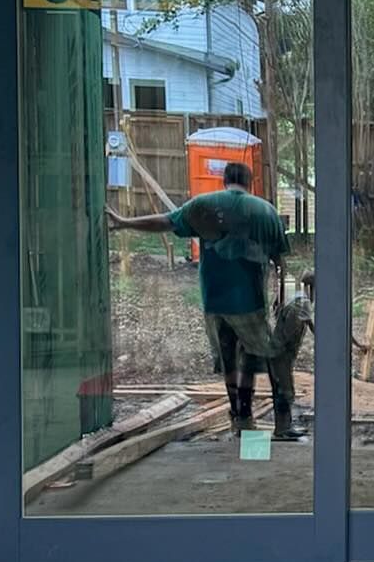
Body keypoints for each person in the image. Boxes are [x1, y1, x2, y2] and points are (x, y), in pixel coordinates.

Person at [107, 161, 310, 441]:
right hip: (249, 303)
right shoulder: (266, 211)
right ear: (249, 182)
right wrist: (280, 296)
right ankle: (277, 429)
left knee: (229, 362)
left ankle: (241, 423)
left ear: (225, 181)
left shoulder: (203, 205)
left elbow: (165, 221)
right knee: (252, 359)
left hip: (214, 301)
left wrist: (123, 222)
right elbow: (279, 262)